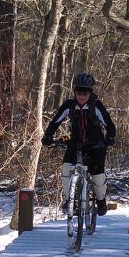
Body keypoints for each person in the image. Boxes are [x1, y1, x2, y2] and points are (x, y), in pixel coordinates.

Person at [41, 72, 117, 216]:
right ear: (75, 92)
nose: (81, 96)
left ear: (90, 93)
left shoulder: (96, 106)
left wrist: (110, 137)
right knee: (66, 169)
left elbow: (109, 124)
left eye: (85, 93)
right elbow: (55, 122)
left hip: (95, 144)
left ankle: (101, 201)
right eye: (79, 93)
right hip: (75, 144)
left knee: (97, 174)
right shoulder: (69, 105)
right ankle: (69, 200)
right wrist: (48, 135)